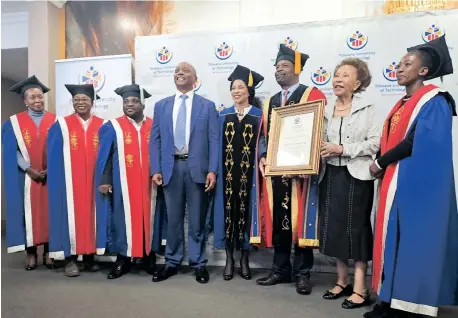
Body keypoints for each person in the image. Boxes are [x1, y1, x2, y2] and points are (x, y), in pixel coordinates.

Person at [366, 35, 458, 318]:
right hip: (396, 181)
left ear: (424, 71)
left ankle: (407, 305)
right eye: (398, 63)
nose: (399, 68)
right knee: (392, 238)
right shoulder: (402, 103)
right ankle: (389, 299)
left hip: (417, 187)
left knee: (411, 242)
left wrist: (380, 162)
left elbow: (416, 141)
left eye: (407, 64)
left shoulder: (435, 100)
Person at [256, 44, 326, 295]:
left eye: (284, 66)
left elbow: (318, 132)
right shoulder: (271, 101)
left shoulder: (312, 94)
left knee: (300, 222)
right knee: (280, 221)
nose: (279, 71)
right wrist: (263, 155)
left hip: (301, 174)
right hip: (276, 173)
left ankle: (303, 273)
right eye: (276, 67)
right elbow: (265, 134)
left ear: (297, 69)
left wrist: (302, 163)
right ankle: (280, 270)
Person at [318, 58, 379, 309]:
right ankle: (341, 280)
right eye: (336, 75)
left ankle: (360, 288)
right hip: (330, 175)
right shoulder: (323, 110)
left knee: (357, 230)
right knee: (335, 229)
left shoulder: (369, 109)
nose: (338, 79)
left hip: (357, 175)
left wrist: (343, 149)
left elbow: (375, 143)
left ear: (358, 83)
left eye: (345, 75)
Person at [150, 61, 218, 284]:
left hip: (197, 169)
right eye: (177, 70)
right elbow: (156, 140)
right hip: (171, 168)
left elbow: (214, 140)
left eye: (185, 70)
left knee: (197, 220)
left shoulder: (207, 106)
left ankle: (199, 264)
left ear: (195, 79)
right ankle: (172, 261)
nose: (180, 73)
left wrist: (212, 170)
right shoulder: (161, 106)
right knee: (174, 220)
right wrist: (156, 169)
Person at [95, 84, 166, 279]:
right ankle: (123, 259)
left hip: (150, 185)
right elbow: (105, 156)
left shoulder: (154, 125)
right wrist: (105, 179)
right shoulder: (113, 126)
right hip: (123, 184)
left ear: (142, 104)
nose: (130, 105)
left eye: (134, 101)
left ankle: (149, 258)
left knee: (151, 219)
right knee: (122, 219)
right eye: (126, 101)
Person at [47, 84, 104, 277]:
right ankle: (70, 259)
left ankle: (88, 257)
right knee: (69, 218)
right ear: (72, 102)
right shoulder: (61, 125)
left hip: (95, 183)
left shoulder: (102, 125)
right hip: (70, 183)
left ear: (92, 102)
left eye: (85, 100)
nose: (80, 103)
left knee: (91, 218)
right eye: (77, 100)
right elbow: (53, 157)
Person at [213, 65, 264, 281]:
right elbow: (215, 144)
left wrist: (262, 155)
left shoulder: (260, 115)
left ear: (249, 91)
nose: (236, 91)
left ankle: (243, 258)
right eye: (233, 87)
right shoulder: (223, 115)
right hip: (226, 174)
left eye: (241, 87)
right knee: (226, 215)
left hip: (249, 176)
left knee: (246, 214)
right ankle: (229, 259)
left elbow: (263, 140)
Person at [2, 75, 57, 270]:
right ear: (25, 101)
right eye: (32, 97)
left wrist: (51, 169)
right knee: (29, 214)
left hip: (51, 176)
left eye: (40, 97)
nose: (37, 101)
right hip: (26, 177)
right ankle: (32, 253)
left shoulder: (55, 121)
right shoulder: (14, 123)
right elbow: (11, 151)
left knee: (51, 212)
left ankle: (50, 253)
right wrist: (28, 169)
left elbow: (61, 149)